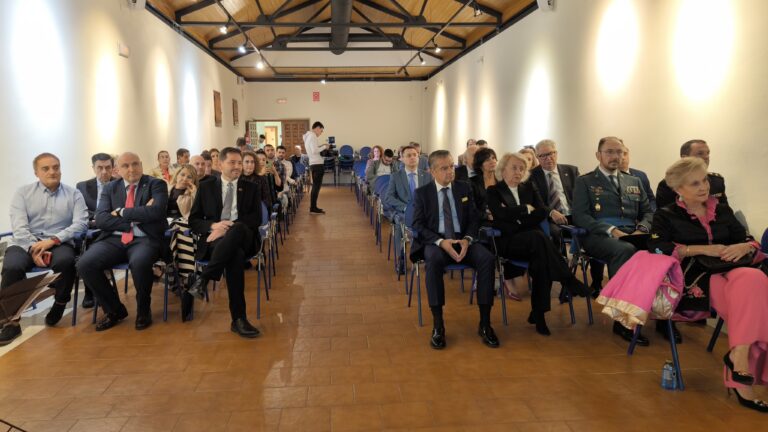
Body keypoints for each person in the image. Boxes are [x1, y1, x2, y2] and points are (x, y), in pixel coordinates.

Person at [648, 157, 768, 413]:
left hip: (734, 272)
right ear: (679, 189)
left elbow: (748, 240)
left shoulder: (722, 209)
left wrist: (744, 246)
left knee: (753, 278)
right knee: (755, 294)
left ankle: (740, 357)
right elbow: (658, 248)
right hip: (695, 280)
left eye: (704, 180)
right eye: (695, 183)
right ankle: (740, 371)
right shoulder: (665, 215)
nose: (704, 187)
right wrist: (701, 249)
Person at [487, 153, 589, 336]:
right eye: (514, 167)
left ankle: (539, 314)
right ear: (503, 169)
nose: (518, 172)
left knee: (541, 261)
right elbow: (500, 218)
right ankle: (568, 279)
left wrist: (515, 217)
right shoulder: (494, 191)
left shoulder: (529, 188)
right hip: (509, 244)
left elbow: (541, 211)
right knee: (538, 237)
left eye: (522, 168)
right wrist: (525, 210)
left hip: (533, 244)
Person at [410, 150, 499, 349]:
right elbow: (418, 225)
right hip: (437, 242)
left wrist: (467, 239)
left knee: (486, 259)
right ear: (432, 171)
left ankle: (485, 323)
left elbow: (474, 218)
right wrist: (442, 242)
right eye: (444, 168)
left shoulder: (463, 188)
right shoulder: (422, 193)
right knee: (432, 261)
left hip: (463, 239)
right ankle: (438, 325)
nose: (450, 172)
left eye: (452, 166)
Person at [0, 153, 88, 345]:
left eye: (56, 167)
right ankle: (11, 322)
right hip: (25, 243)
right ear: (36, 172)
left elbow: (81, 224)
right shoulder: (22, 193)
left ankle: (60, 302)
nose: (52, 171)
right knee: (12, 267)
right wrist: (34, 248)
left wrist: (53, 241)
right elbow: (19, 227)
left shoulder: (74, 194)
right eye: (46, 168)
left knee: (66, 261)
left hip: (58, 243)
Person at [573, 136, 653, 345]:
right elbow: (580, 216)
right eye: (609, 152)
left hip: (633, 233)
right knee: (624, 250)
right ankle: (622, 321)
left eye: (619, 152)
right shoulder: (585, 181)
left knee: (661, 252)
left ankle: (664, 319)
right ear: (598, 155)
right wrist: (611, 230)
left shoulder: (633, 180)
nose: (615, 156)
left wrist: (642, 228)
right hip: (597, 236)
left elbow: (647, 211)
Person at [76, 152, 169, 332]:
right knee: (85, 264)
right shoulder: (110, 188)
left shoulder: (156, 184)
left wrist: (121, 212)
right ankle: (114, 310)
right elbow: (101, 219)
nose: (131, 169)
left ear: (141, 165)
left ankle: (143, 310)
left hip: (145, 238)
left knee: (140, 262)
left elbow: (157, 212)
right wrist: (139, 215)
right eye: (126, 166)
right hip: (114, 238)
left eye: (135, 164)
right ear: (118, 170)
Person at [187, 147, 264, 338]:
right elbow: (194, 221)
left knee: (236, 229)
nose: (237, 166)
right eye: (232, 162)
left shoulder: (251, 187)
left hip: (244, 237)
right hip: (217, 241)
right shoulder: (206, 187)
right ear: (219, 164)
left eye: (240, 162)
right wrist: (214, 226)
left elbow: (255, 220)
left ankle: (204, 278)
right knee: (234, 256)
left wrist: (226, 228)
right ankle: (239, 320)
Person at [383, 146, 432, 274]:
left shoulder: (427, 176)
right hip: (403, 212)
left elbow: (433, 196)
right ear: (402, 159)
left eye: (414, 155)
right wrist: (405, 207)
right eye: (408, 155)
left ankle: (431, 258)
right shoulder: (396, 176)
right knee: (400, 224)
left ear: (418, 157)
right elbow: (389, 197)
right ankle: (401, 258)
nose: (412, 158)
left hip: (423, 212)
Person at [76, 153, 115, 308]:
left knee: (97, 247)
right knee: (88, 246)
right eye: (100, 167)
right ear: (93, 168)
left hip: (112, 229)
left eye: (108, 168)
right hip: (92, 228)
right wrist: (99, 218)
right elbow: (81, 210)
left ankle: (99, 291)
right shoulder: (82, 186)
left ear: (113, 168)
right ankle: (90, 292)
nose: (104, 172)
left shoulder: (120, 185)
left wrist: (103, 219)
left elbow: (121, 210)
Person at [656, 139, 727, 209]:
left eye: (708, 153)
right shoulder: (669, 185)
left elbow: (725, 211)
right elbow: (666, 216)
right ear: (685, 158)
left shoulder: (717, 181)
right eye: (700, 153)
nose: (706, 157)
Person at [166, 165, 197, 307]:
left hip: (182, 225)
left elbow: (193, 215)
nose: (185, 178)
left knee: (178, 232)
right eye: (183, 174)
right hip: (164, 224)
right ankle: (182, 277)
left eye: (189, 177)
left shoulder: (191, 192)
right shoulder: (166, 188)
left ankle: (182, 277)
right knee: (172, 232)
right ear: (177, 174)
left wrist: (194, 194)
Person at [620, 144, 656, 212]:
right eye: (619, 154)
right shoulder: (611, 178)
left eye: (625, 154)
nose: (623, 158)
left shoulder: (641, 175)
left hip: (645, 217)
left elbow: (651, 199)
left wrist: (652, 213)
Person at [304, 121, 327, 214]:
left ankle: (313, 207)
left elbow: (314, 149)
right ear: (317, 128)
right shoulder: (312, 136)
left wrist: (321, 146)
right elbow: (314, 150)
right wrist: (325, 146)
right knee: (316, 187)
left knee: (315, 187)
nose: (321, 133)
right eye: (321, 131)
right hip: (317, 165)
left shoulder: (308, 136)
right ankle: (313, 208)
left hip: (314, 164)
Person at [468, 147, 498, 220]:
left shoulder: (501, 180)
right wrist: (487, 216)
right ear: (480, 164)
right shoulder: (472, 182)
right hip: (482, 221)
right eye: (487, 160)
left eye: (493, 158)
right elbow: (471, 208)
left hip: (501, 218)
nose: (492, 161)